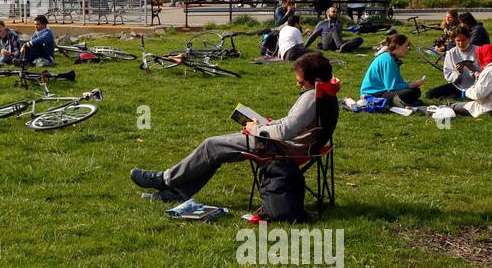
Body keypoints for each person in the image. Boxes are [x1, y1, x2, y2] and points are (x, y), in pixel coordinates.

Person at [129, 51, 339, 203]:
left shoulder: (311, 97)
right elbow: (291, 125)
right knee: (216, 150)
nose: (298, 85)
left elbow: (285, 131)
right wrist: (265, 124)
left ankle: (164, 179)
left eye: (301, 82)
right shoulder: (325, 92)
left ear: (316, 80)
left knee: (211, 146)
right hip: (293, 145)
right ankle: (176, 192)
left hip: (283, 148)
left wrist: (255, 129)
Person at [359, 33, 424, 107]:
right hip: (373, 94)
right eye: (406, 46)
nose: (407, 49)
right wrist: (409, 85)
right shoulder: (387, 60)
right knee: (410, 92)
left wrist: (410, 84)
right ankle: (400, 102)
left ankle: (403, 101)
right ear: (397, 46)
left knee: (415, 91)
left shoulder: (392, 59)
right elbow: (391, 87)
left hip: (382, 91)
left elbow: (396, 82)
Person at [425, 25, 477, 101]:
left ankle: (456, 97)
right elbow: (448, 74)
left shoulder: (478, 50)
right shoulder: (451, 53)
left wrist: (472, 68)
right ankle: (455, 97)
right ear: (454, 40)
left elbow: (485, 72)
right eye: (458, 41)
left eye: (463, 40)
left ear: (469, 39)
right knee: (430, 94)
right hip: (458, 85)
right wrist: (458, 72)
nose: (461, 43)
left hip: (475, 86)